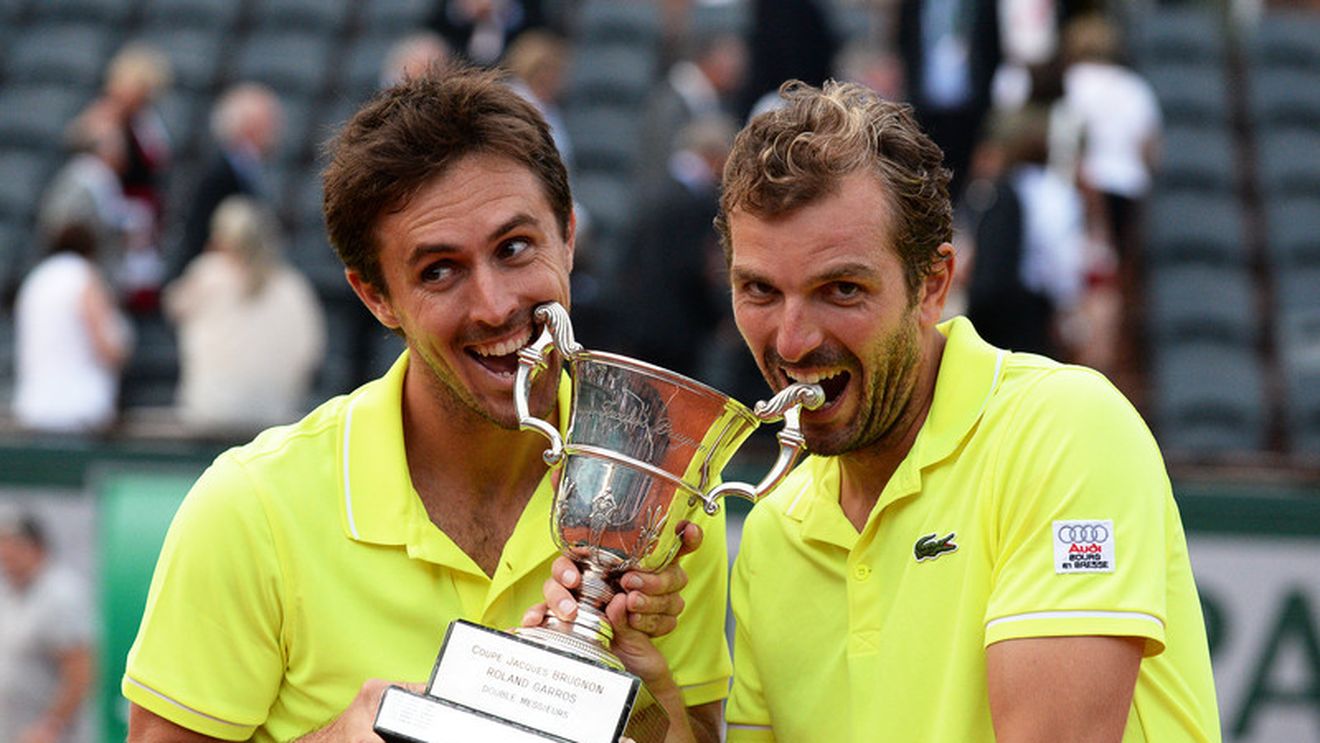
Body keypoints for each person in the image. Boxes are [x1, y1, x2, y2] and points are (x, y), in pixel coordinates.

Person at [122, 64, 730, 742]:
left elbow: (693, 731)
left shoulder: (663, 493)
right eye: (439, 270)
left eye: (515, 246)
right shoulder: (249, 508)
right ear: (375, 296)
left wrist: (644, 695)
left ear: (568, 235)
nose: (495, 305)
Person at [713, 80, 1216, 739]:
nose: (792, 338)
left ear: (933, 286)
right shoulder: (774, 531)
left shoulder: (1066, 429)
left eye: (841, 288)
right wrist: (645, 692)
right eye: (760, 289)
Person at [163, 196, 326, 432]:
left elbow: (171, 306)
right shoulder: (294, 285)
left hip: (209, 414)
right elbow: (313, 352)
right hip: (275, 416)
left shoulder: (209, 272)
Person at [12, 221, 133, 434]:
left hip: (33, 407)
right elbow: (108, 348)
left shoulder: (36, 279)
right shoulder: (83, 277)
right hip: (78, 409)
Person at [169, 83, 284, 282]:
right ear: (250, 126)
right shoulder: (218, 174)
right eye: (269, 120)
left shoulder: (246, 167)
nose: (277, 128)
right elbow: (200, 230)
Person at [0, 511, 95, 743]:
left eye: (14, 544)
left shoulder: (61, 594)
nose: (6, 553)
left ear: (38, 547)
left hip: (48, 736)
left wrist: (51, 725)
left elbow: (80, 670)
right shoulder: (8, 590)